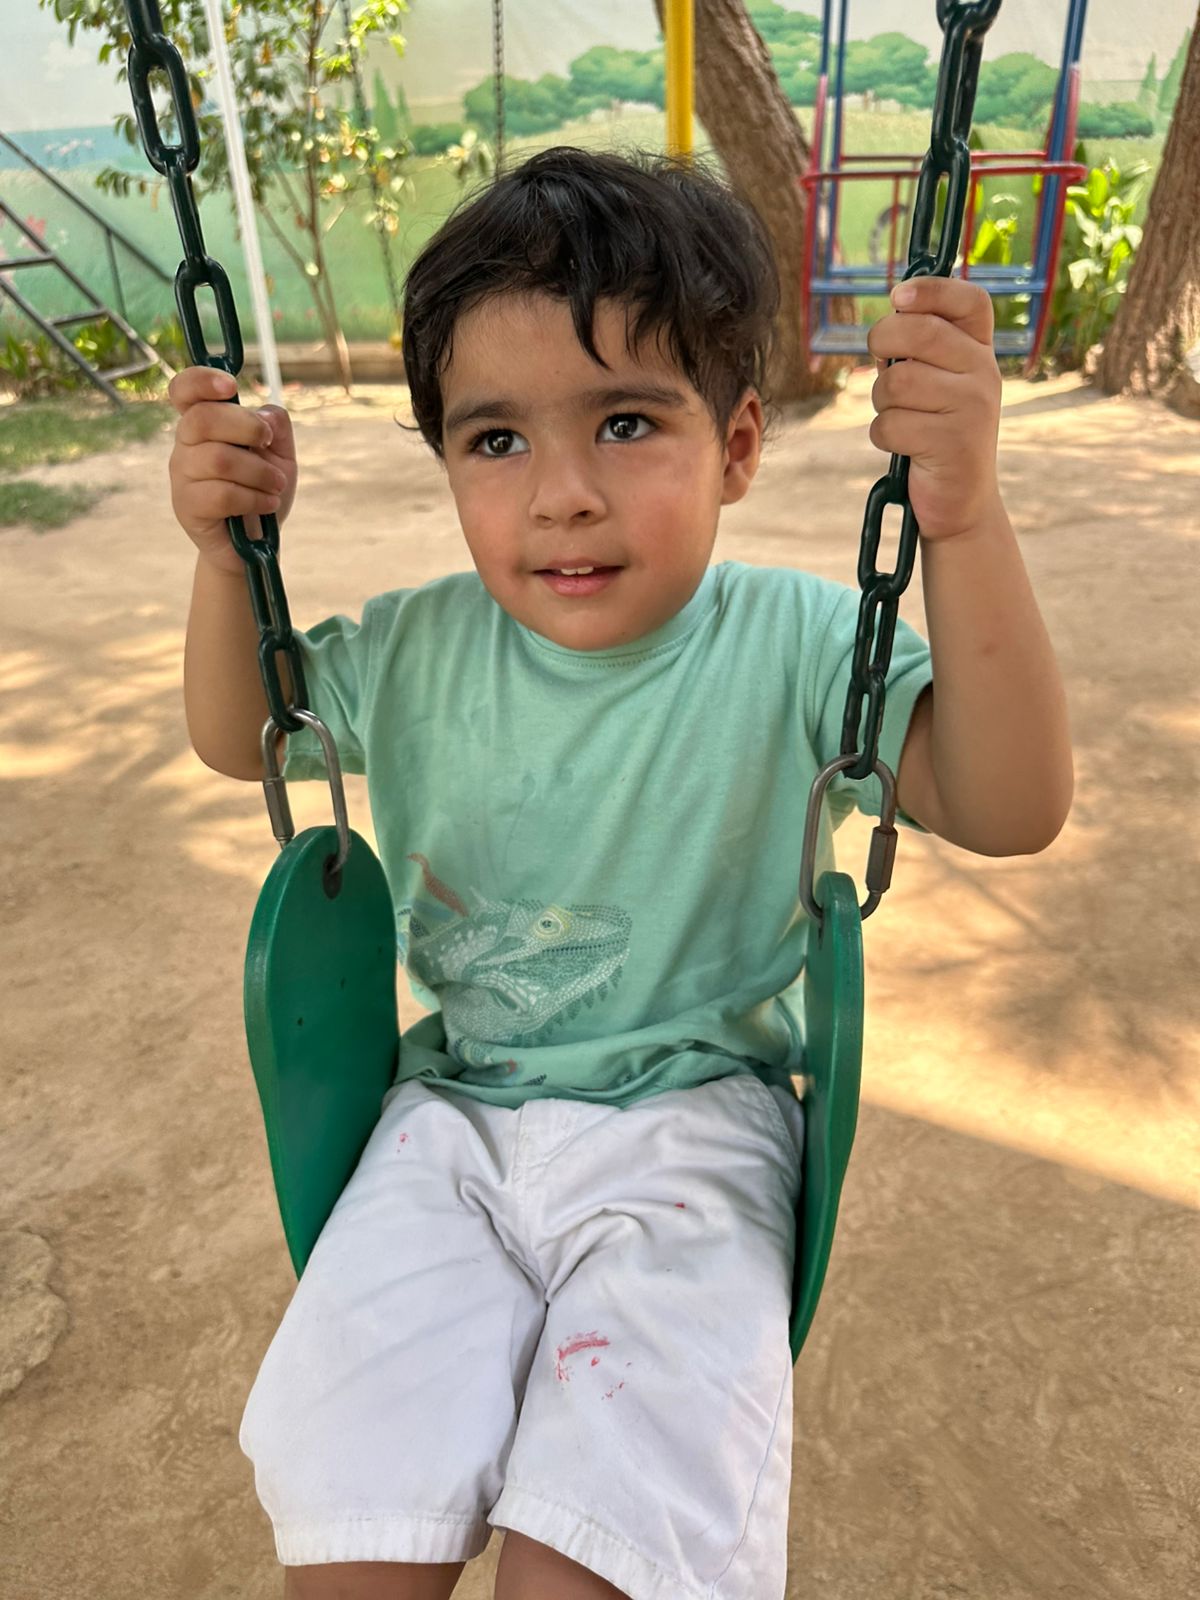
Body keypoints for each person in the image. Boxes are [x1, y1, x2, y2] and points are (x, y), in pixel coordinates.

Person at [167, 147, 1073, 1600]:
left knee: (587, 1564)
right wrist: (231, 567)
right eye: (497, 441)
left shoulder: (792, 645)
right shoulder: (414, 648)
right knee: (349, 1533)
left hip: (695, 1133)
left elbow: (1010, 803)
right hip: (452, 1125)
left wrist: (961, 522)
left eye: (628, 422)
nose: (564, 497)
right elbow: (246, 736)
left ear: (738, 447)